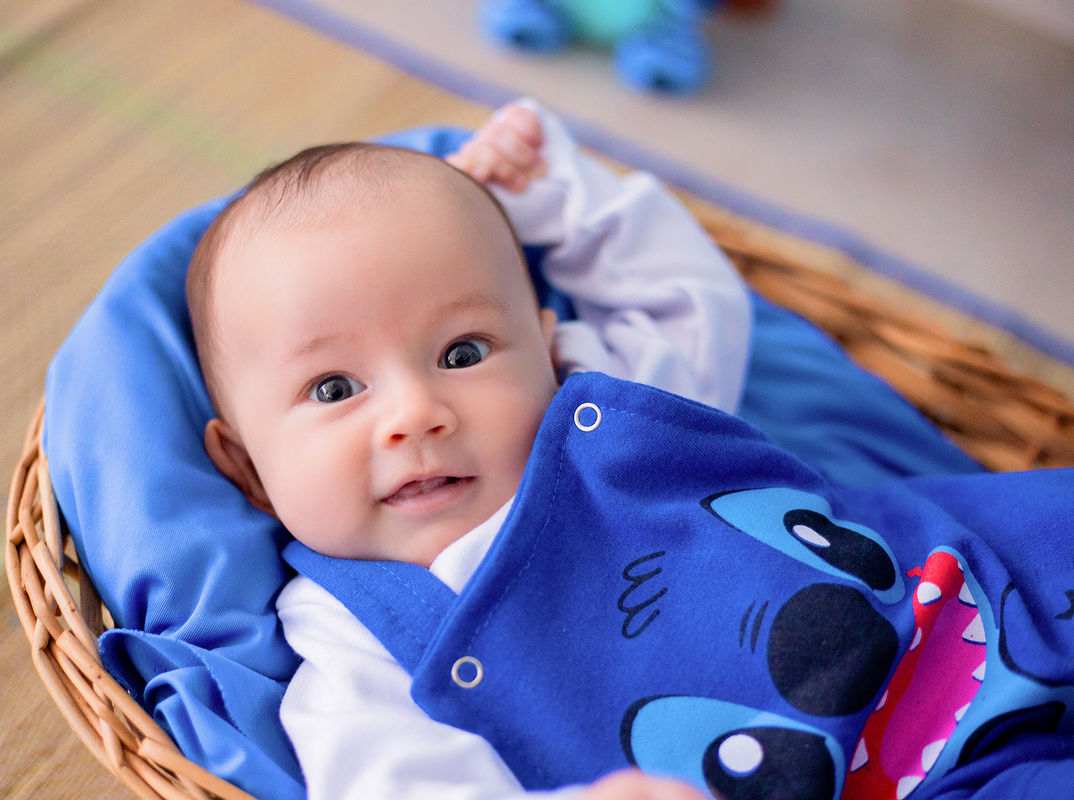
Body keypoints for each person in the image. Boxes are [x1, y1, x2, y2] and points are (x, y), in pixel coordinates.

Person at [185, 102, 1074, 800]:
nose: (415, 415)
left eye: (463, 354)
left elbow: (694, 303)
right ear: (247, 466)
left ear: (545, 344)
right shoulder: (355, 629)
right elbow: (390, 782)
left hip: (987, 582)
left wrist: (556, 198)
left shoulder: (602, 395)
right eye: (335, 390)